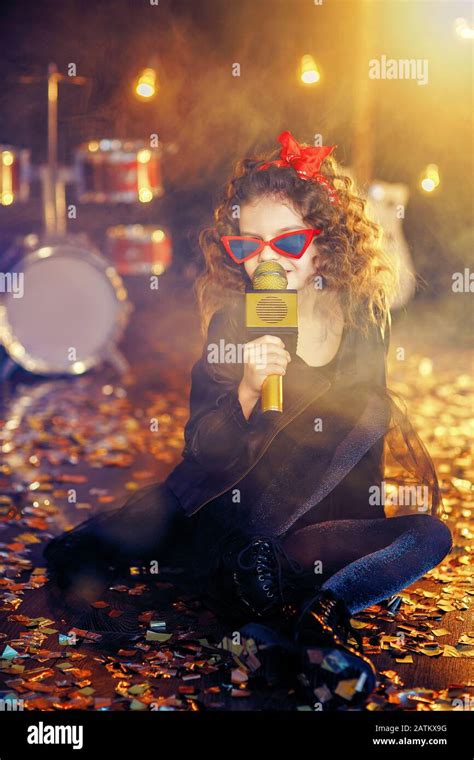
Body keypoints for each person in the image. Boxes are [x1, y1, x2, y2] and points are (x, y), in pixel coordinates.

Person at [43, 131, 453, 709]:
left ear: (321, 250)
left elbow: (362, 440)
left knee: (429, 533)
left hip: (314, 528)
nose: (267, 259)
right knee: (248, 567)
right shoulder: (231, 329)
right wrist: (245, 391)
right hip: (246, 524)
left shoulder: (363, 317)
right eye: (250, 245)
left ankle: (313, 622)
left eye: (286, 242)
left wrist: (359, 537)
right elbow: (202, 453)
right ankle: (303, 639)